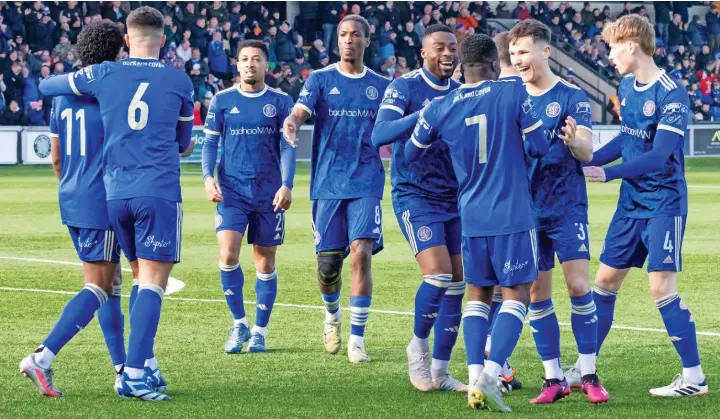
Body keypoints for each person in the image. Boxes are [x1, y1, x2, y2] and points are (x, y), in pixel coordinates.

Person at [39, 6, 195, 401]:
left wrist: (77, 83)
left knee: (120, 282)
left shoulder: (104, 74)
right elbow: (183, 144)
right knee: (151, 284)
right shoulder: (179, 80)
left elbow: (47, 87)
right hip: (156, 190)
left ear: (127, 40)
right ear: (163, 40)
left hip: (113, 197)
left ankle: (140, 367)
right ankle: (134, 374)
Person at [405, 33, 547, 413]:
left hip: (470, 217)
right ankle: (492, 372)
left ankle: (472, 377)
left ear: (463, 67)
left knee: (477, 295)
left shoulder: (440, 106)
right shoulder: (512, 92)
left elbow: (409, 153)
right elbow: (541, 148)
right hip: (513, 214)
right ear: (493, 64)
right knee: (516, 295)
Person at [583, 14, 707, 398]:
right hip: (630, 205)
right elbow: (627, 137)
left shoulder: (672, 92)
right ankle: (585, 368)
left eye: (613, 49)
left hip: (663, 203)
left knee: (660, 288)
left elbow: (659, 155)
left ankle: (694, 378)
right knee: (603, 283)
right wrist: (589, 162)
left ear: (632, 46)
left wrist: (610, 174)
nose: (610, 57)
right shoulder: (626, 85)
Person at [19, 21, 128, 399]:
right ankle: (42, 357)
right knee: (99, 287)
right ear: (118, 54)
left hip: (72, 196)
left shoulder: (62, 95)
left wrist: (72, 186)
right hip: (102, 198)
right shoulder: (112, 91)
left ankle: (122, 369)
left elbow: (55, 157)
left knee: (108, 286)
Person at [507, 19, 608, 405]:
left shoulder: (571, 95)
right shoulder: (510, 96)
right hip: (525, 209)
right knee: (537, 294)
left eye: (524, 52)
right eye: (513, 53)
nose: (518, 59)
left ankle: (588, 373)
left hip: (567, 205)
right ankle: (552, 379)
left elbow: (586, 147)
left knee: (579, 286)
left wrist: (575, 143)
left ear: (545, 51)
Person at [282, 15, 389, 363]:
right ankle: (332, 316)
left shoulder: (382, 85)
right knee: (328, 267)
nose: (348, 40)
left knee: (360, 253)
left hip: (367, 180)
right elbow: (301, 109)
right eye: (342, 34)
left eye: (355, 34)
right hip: (328, 183)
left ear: (366, 40)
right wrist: (293, 122)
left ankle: (357, 339)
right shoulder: (321, 79)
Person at [371, 24, 465, 393]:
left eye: (452, 47)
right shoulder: (404, 87)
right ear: (423, 53)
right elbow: (379, 135)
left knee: (458, 283)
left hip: (455, 196)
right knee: (438, 275)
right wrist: (425, 113)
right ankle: (418, 346)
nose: (447, 53)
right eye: (439, 47)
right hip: (416, 195)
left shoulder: (461, 92)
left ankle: (441, 371)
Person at [202, 40, 296, 354]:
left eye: (256, 59)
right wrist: (207, 177)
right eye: (244, 59)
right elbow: (210, 144)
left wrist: (287, 184)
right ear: (237, 65)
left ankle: (260, 331)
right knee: (228, 254)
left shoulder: (282, 102)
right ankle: (239, 324)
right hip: (232, 192)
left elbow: (287, 147)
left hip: (268, 194)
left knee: (264, 261)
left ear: (265, 65)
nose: (249, 64)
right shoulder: (222, 100)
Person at [480, 31, 526, 394]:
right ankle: (495, 365)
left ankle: (491, 363)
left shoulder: (474, 95)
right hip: (518, 202)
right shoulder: (517, 91)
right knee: (518, 293)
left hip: (478, 203)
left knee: (486, 290)